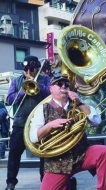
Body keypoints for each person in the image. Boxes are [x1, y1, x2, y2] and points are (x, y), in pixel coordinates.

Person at [29, 75, 106, 190]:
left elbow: (96, 121)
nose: (63, 86)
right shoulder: (42, 109)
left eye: (66, 84)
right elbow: (34, 137)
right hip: (58, 161)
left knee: (105, 152)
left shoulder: (78, 104)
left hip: (81, 153)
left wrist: (79, 102)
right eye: (59, 84)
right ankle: (67, 184)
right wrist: (50, 125)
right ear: (51, 89)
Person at [5, 55, 50, 190]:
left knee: (43, 153)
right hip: (20, 122)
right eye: (27, 69)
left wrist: (37, 84)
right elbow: (8, 100)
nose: (29, 72)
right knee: (14, 153)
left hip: (40, 122)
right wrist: (23, 90)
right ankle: (10, 183)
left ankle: (45, 182)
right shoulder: (16, 81)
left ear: (37, 68)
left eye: (32, 69)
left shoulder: (45, 79)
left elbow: (49, 94)